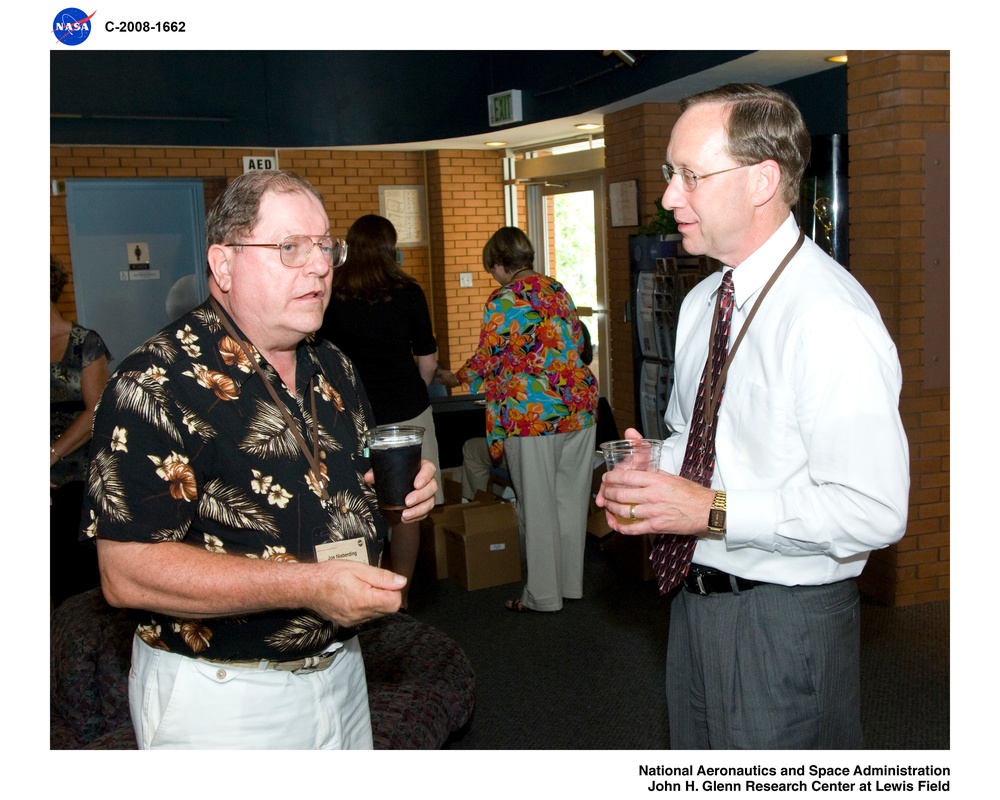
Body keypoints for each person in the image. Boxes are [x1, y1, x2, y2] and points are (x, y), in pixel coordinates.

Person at [596, 83, 909, 749]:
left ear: (762, 179)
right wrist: (659, 470)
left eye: (689, 176)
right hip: (695, 602)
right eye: (668, 174)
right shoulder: (705, 299)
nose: (668, 197)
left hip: (784, 618)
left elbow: (872, 510)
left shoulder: (829, 318)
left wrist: (705, 509)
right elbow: (701, 437)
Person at [82, 170, 438, 750]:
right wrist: (309, 586)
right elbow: (125, 572)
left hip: (343, 671)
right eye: (290, 248)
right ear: (223, 265)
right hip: (223, 697)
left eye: (326, 246)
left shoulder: (334, 367)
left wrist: (399, 501)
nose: (320, 266)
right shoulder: (155, 382)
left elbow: (336, 495)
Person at [439, 227, 598, 613]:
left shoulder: (504, 298)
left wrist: (453, 377)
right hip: (578, 407)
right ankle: (569, 585)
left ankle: (543, 595)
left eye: (491, 269)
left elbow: (488, 357)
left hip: (532, 413)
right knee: (569, 502)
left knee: (538, 503)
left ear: (498, 264)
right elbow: (576, 343)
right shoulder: (558, 289)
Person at [318, 213, 443, 609]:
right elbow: (427, 358)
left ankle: (361, 590)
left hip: (352, 417)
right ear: (391, 249)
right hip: (408, 412)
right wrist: (411, 391)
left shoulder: (333, 295)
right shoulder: (408, 291)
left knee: (356, 504)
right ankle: (400, 595)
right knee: (409, 508)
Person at [50, 255, 111, 607]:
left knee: (73, 581)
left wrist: (50, 456)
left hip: (75, 473)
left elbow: (96, 411)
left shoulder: (85, 342)